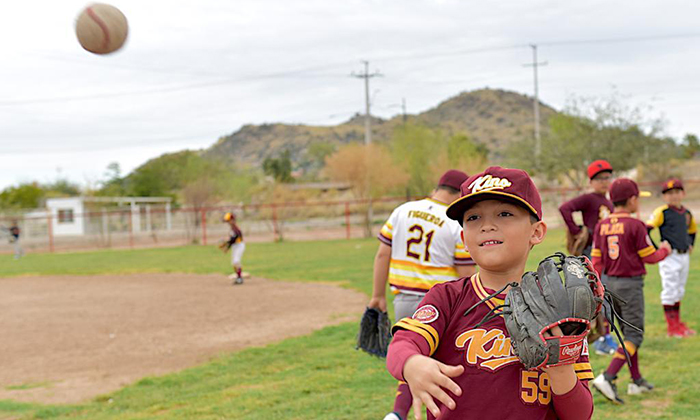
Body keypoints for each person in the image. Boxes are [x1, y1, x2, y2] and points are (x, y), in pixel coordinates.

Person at [387, 166, 594, 420]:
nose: (486, 226)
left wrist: (561, 370)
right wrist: (411, 363)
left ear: (536, 231)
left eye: (504, 213)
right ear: (463, 238)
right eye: (473, 218)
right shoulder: (448, 298)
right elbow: (403, 343)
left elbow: (580, 414)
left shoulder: (560, 309)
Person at [370, 169, 477, 420]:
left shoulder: (402, 211)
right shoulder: (455, 220)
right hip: (442, 303)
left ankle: (397, 413)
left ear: (437, 187)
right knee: (439, 363)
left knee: (414, 357)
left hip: (404, 299)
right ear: (460, 194)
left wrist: (378, 295)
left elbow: (382, 254)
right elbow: (465, 273)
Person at [590, 178, 671, 403]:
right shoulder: (635, 225)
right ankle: (608, 376)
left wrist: (597, 285)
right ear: (632, 199)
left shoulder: (602, 224)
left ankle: (636, 381)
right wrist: (665, 250)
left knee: (627, 334)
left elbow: (596, 260)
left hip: (609, 283)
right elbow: (650, 257)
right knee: (635, 335)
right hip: (630, 285)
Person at [559, 159, 617, 356]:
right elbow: (564, 208)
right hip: (592, 251)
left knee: (605, 293)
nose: (604, 182)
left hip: (607, 251)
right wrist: (577, 231)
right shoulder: (589, 199)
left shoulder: (609, 202)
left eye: (607, 178)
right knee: (597, 294)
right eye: (599, 179)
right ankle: (601, 338)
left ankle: (603, 336)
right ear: (591, 181)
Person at [646, 178, 696, 337]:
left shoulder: (686, 213)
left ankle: (678, 323)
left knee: (679, 290)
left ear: (683, 193)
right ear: (664, 196)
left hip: (683, 255)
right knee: (670, 289)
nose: (673, 196)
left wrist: (691, 243)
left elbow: (692, 230)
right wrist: (656, 249)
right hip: (670, 256)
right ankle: (671, 327)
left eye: (676, 192)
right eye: (669, 193)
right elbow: (646, 229)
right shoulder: (662, 212)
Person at [221, 212, 246, 285]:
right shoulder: (232, 228)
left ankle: (239, 278)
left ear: (233, 220)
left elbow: (235, 238)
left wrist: (226, 244)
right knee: (234, 263)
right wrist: (227, 246)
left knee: (236, 261)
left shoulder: (236, 228)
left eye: (229, 221)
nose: (228, 222)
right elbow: (232, 240)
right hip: (235, 246)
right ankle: (239, 277)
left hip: (239, 245)